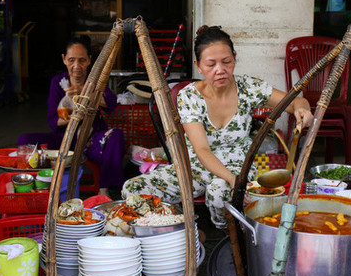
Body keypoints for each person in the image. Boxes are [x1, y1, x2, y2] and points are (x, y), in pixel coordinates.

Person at [122, 25, 313, 228]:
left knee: (218, 191)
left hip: (238, 167)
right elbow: (202, 150)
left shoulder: (249, 88)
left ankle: (230, 241)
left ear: (235, 58)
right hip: (195, 168)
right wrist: (232, 180)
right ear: (198, 65)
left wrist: (303, 109)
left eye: (226, 62)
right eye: (211, 64)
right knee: (133, 187)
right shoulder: (190, 96)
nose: (220, 70)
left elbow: (294, 102)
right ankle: (178, 228)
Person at [18, 35, 125, 198]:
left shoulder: (96, 81)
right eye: (71, 60)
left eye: (82, 60)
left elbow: (111, 103)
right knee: (25, 141)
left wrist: (86, 93)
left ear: (89, 60)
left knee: (116, 136)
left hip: (91, 141)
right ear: (64, 59)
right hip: (65, 142)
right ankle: (35, 188)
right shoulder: (58, 82)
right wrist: (73, 116)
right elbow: (53, 120)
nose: (77, 66)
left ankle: (104, 190)